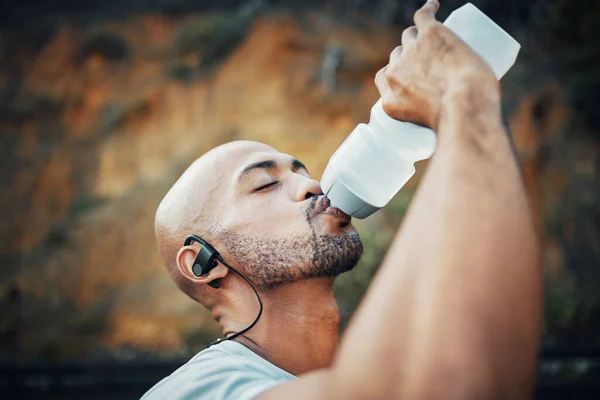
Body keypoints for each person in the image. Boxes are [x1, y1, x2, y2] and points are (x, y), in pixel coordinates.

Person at [142, 0, 542, 398]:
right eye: (265, 184)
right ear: (202, 263)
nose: (311, 185)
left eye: (301, 171)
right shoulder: (199, 389)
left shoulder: (352, 371)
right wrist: (464, 96)